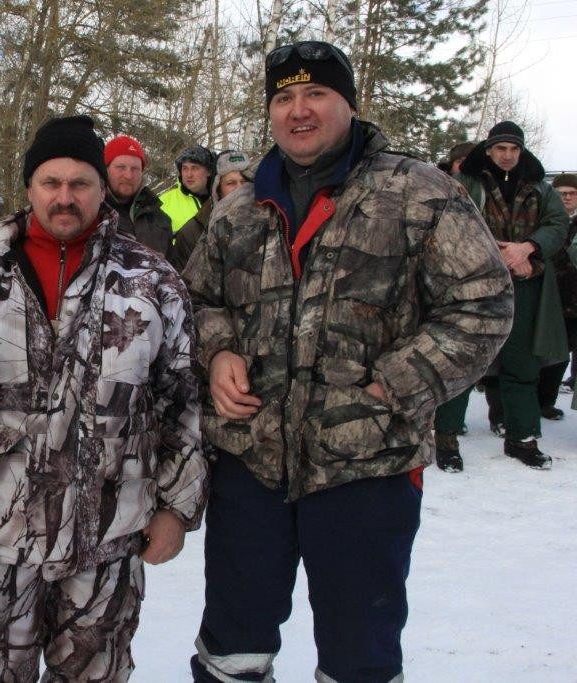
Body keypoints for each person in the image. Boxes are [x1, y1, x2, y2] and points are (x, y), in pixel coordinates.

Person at [183, 41, 513, 682]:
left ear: (350, 104)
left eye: (316, 94)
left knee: (359, 651)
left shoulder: (420, 193)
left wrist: (395, 383)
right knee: (233, 643)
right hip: (251, 461)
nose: (298, 110)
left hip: (368, 462)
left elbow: (483, 303)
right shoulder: (238, 209)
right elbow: (195, 299)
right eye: (284, 97)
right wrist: (217, 350)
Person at [0, 115, 209, 681]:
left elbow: (184, 399)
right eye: (51, 182)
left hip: (107, 538)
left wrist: (177, 507)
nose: (65, 197)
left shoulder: (151, 279)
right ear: (29, 187)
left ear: (102, 189)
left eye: (80, 183)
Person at [442, 122, 570, 469]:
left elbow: (558, 225)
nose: (508, 155)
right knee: (464, 361)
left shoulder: (540, 187)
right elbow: (451, 224)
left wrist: (528, 248)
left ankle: (521, 439)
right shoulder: (467, 183)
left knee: (522, 365)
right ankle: (446, 437)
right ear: (489, 150)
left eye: (514, 149)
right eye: (501, 148)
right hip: (474, 285)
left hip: (526, 283)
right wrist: (500, 254)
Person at [171, 149, 252, 271]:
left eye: (244, 181)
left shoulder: (271, 219)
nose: (239, 189)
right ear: (217, 188)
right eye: (231, 183)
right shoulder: (193, 231)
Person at [103, 134, 173, 255]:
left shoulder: (160, 220)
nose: (128, 175)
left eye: (135, 169)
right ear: (106, 169)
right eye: (121, 167)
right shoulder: (91, 213)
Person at [550, 173, 577, 395]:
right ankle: (546, 400)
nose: (567, 198)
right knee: (553, 354)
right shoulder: (546, 222)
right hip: (553, 298)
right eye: (562, 194)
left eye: (572, 193)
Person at [159, 144, 216, 233]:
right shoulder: (163, 202)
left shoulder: (222, 197)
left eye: (195, 168)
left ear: (209, 171)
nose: (189, 174)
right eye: (185, 168)